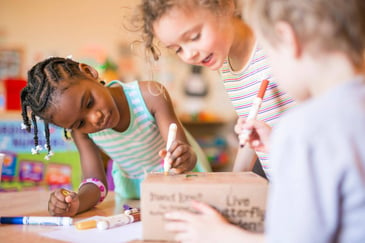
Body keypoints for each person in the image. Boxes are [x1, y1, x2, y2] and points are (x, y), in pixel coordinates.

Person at [163, 0, 365, 242]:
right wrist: (278, 145)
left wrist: (221, 235)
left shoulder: (304, 128)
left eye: (267, 52)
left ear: (286, 38)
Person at [20, 56, 211, 216]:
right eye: (79, 123)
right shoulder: (81, 133)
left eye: (89, 102)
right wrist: (76, 203)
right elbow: (95, 183)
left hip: (178, 181)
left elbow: (185, 155)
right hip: (135, 193)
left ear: (89, 72)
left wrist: (183, 157)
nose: (95, 118)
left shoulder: (150, 95)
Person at [134, 0, 295, 179]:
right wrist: (233, 182)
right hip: (285, 187)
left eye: (195, 37)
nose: (189, 55)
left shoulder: (276, 43)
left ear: (225, 6)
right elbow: (252, 134)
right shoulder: (225, 66)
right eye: (178, 49)